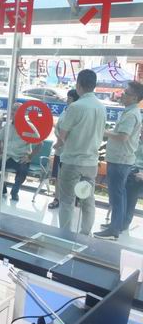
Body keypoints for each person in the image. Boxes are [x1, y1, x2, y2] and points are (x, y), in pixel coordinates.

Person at [57, 69, 106, 235]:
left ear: (78, 85)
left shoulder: (75, 106)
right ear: (94, 85)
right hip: (91, 163)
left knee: (67, 200)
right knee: (87, 200)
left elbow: (62, 135)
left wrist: (58, 144)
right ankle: (85, 233)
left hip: (73, 161)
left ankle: (65, 234)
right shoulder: (101, 107)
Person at [94, 81, 143, 240]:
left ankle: (114, 230)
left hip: (120, 160)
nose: (122, 95)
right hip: (120, 159)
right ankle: (117, 225)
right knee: (119, 194)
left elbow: (123, 136)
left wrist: (104, 132)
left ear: (134, 97)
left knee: (116, 195)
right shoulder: (129, 112)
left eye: (126, 93)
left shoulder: (131, 114)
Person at [0, 103, 41, 202]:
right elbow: (0, 139)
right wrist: (1, 152)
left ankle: (15, 192)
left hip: (21, 158)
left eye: (16, 110)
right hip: (7, 157)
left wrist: (29, 157)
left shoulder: (29, 127)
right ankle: (2, 188)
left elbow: (40, 143)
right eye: (12, 110)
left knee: (22, 171)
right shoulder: (8, 125)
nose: (12, 112)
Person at [48, 89, 80, 209]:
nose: (67, 100)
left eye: (70, 98)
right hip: (60, 150)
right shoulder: (66, 110)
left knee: (68, 177)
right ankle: (57, 198)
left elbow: (69, 132)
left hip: (68, 150)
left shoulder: (76, 113)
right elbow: (60, 127)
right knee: (57, 176)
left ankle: (70, 200)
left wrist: (60, 142)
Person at [122, 131, 143, 232]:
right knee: (120, 196)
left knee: (130, 198)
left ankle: (125, 223)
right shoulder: (136, 141)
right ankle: (116, 221)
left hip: (139, 172)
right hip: (129, 168)